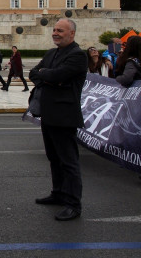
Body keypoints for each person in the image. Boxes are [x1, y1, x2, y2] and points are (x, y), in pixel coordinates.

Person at [29, 18, 87, 221]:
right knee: (54, 158)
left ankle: (73, 203)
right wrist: (48, 76)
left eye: (60, 30)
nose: (55, 33)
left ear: (71, 33)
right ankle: (58, 193)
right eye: (54, 30)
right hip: (48, 114)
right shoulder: (52, 53)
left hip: (65, 116)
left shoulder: (78, 55)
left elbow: (56, 75)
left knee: (68, 161)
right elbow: (34, 73)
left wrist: (48, 75)